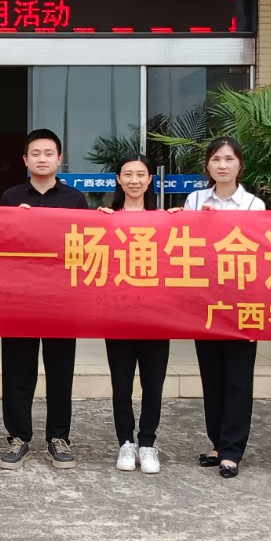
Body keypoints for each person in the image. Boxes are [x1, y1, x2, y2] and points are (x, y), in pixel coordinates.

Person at [0, 128, 89, 470]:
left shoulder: (75, 199)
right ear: (25, 159)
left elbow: (86, 246)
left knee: (60, 371)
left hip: (61, 300)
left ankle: (58, 437)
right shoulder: (9, 198)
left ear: (59, 159)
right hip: (19, 300)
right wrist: (14, 223)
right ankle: (18, 437)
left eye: (48, 153)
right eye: (35, 153)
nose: (42, 159)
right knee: (17, 372)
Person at [184, 138, 264, 479]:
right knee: (212, 376)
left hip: (243, 303)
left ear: (239, 165)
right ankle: (217, 442)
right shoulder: (195, 200)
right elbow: (184, 243)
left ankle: (233, 450)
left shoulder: (254, 204)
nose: (222, 165)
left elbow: (260, 251)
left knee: (238, 379)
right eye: (216, 159)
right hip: (206, 302)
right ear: (208, 165)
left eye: (229, 159)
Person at [97, 154, 169, 475]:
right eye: (128, 174)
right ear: (118, 179)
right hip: (119, 316)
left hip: (157, 317)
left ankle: (148, 442)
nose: (134, 180)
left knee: (153, 384)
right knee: (121, 383)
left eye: (141, 174)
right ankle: (125, 442)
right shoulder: (106, 219)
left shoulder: (164, 220)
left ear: (150, 179)